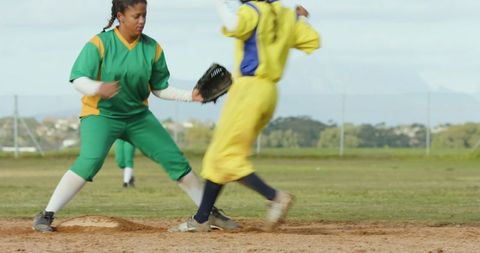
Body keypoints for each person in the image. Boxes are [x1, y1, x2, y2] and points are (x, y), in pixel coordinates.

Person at [33, 0, 238, 232]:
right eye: (136, 16)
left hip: (138, 117)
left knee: (175, 160)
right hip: (102, 114)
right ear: (120, 16)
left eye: (144, 15)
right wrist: (98, 88)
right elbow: (78, 78)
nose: (141, 21)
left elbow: (159, 88)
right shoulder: (100, 44)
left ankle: (208, 213)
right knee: (90, 162)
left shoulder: (152, 48)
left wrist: (191, 96)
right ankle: (46, 216)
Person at [171, 0, 320, 232]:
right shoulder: (285, 15)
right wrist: (299, 19)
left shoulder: (253, 10)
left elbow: (233, 23)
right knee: (218, 156)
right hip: (268, 93)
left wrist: (219, 3)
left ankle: (275, 197)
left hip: (248, 91)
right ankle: (202, 219)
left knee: (227, 156)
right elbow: (312, 40)